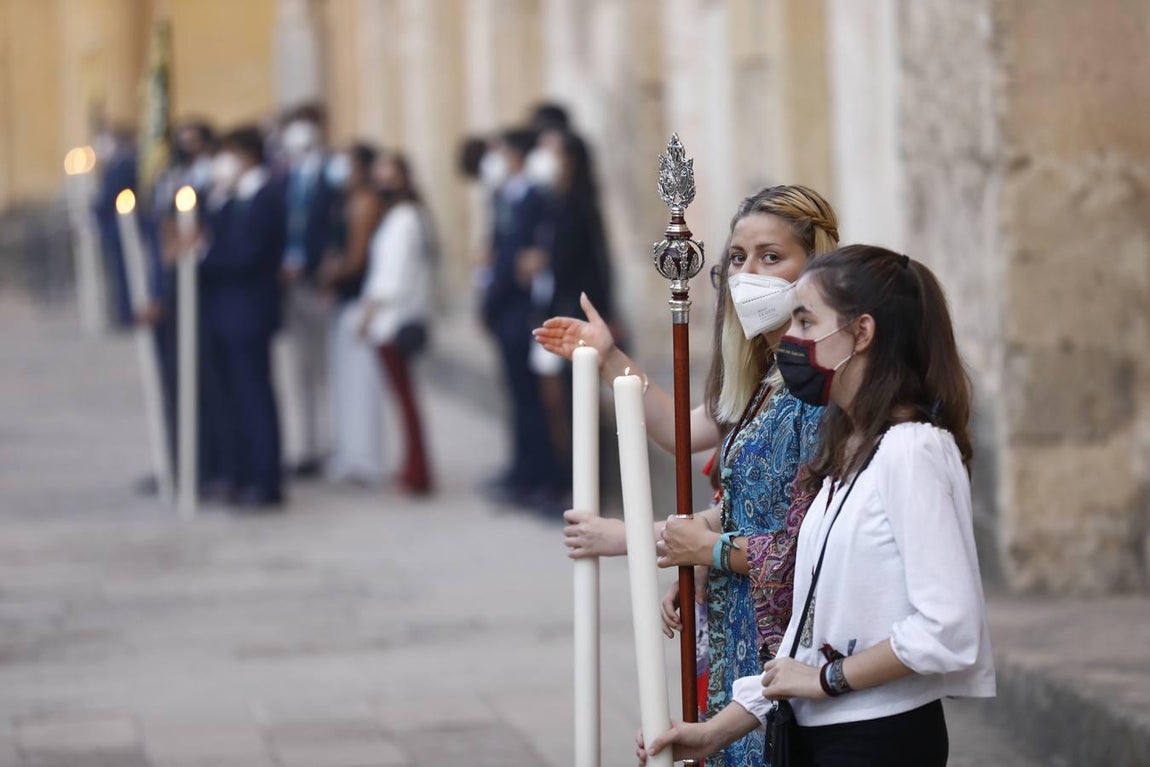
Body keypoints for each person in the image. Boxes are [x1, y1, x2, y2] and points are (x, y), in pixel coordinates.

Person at [639, 246, 996, 767]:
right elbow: (810, 633)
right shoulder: (849, 449)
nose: (791, 339)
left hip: (877, 739)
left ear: (863, 332)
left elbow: (950, 628)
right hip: (820, 733)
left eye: (806, 321)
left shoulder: (914, 448)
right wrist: (715, 731)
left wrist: (830, 679)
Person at [536, 186, 840, 767]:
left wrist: (685, 546)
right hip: (735, 617)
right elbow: (687, 435)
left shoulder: (820, 389)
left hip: (786, 624)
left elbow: (806, 535)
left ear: (817, 267)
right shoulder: (762, 376)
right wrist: (609, 358)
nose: (748, 273)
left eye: (772, 257)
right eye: (739, 258)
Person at [198, 126, 287, 508]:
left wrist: (202, 254)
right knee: (231, 398)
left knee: (254, 397)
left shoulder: (265, 197)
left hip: (250, 313)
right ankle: (239, 472)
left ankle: (265, 480)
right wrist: (217, 199)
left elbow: (246, 255)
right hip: (223, 314)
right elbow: (212, 234)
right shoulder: (230, 197)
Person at [481, 129, 564, 511]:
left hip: (524, 311)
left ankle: (542, 475)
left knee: (535, 401)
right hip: (506, 311)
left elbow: (524, 259)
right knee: (518, 398)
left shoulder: (537, 199)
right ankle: (523, 470)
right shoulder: (506, 196)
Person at [359, 152, 436, 495]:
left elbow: (392, 277)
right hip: (392, 319)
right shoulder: (398, 216)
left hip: (394, 321)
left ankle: (417, 472)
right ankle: (412, 467)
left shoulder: (405, 218)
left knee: (405, 399)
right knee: (403, 398)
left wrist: (368, 312)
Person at [279, 103, 341, 478]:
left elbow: (337, 226)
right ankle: (306, 444)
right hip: (293, 281)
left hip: (320, 282)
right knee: (299, 368)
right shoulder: (286, 178)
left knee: (326, 367)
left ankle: (334, 442)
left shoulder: (332, 175)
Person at [319, 143, 387, 484]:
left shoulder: (365, 203)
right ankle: (349, 450)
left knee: (361, 384)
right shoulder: (344, 201)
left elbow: (357, 257)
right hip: (343, 301)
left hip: (358, 302)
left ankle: (365, 456)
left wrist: (333, 273)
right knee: (344, 382)